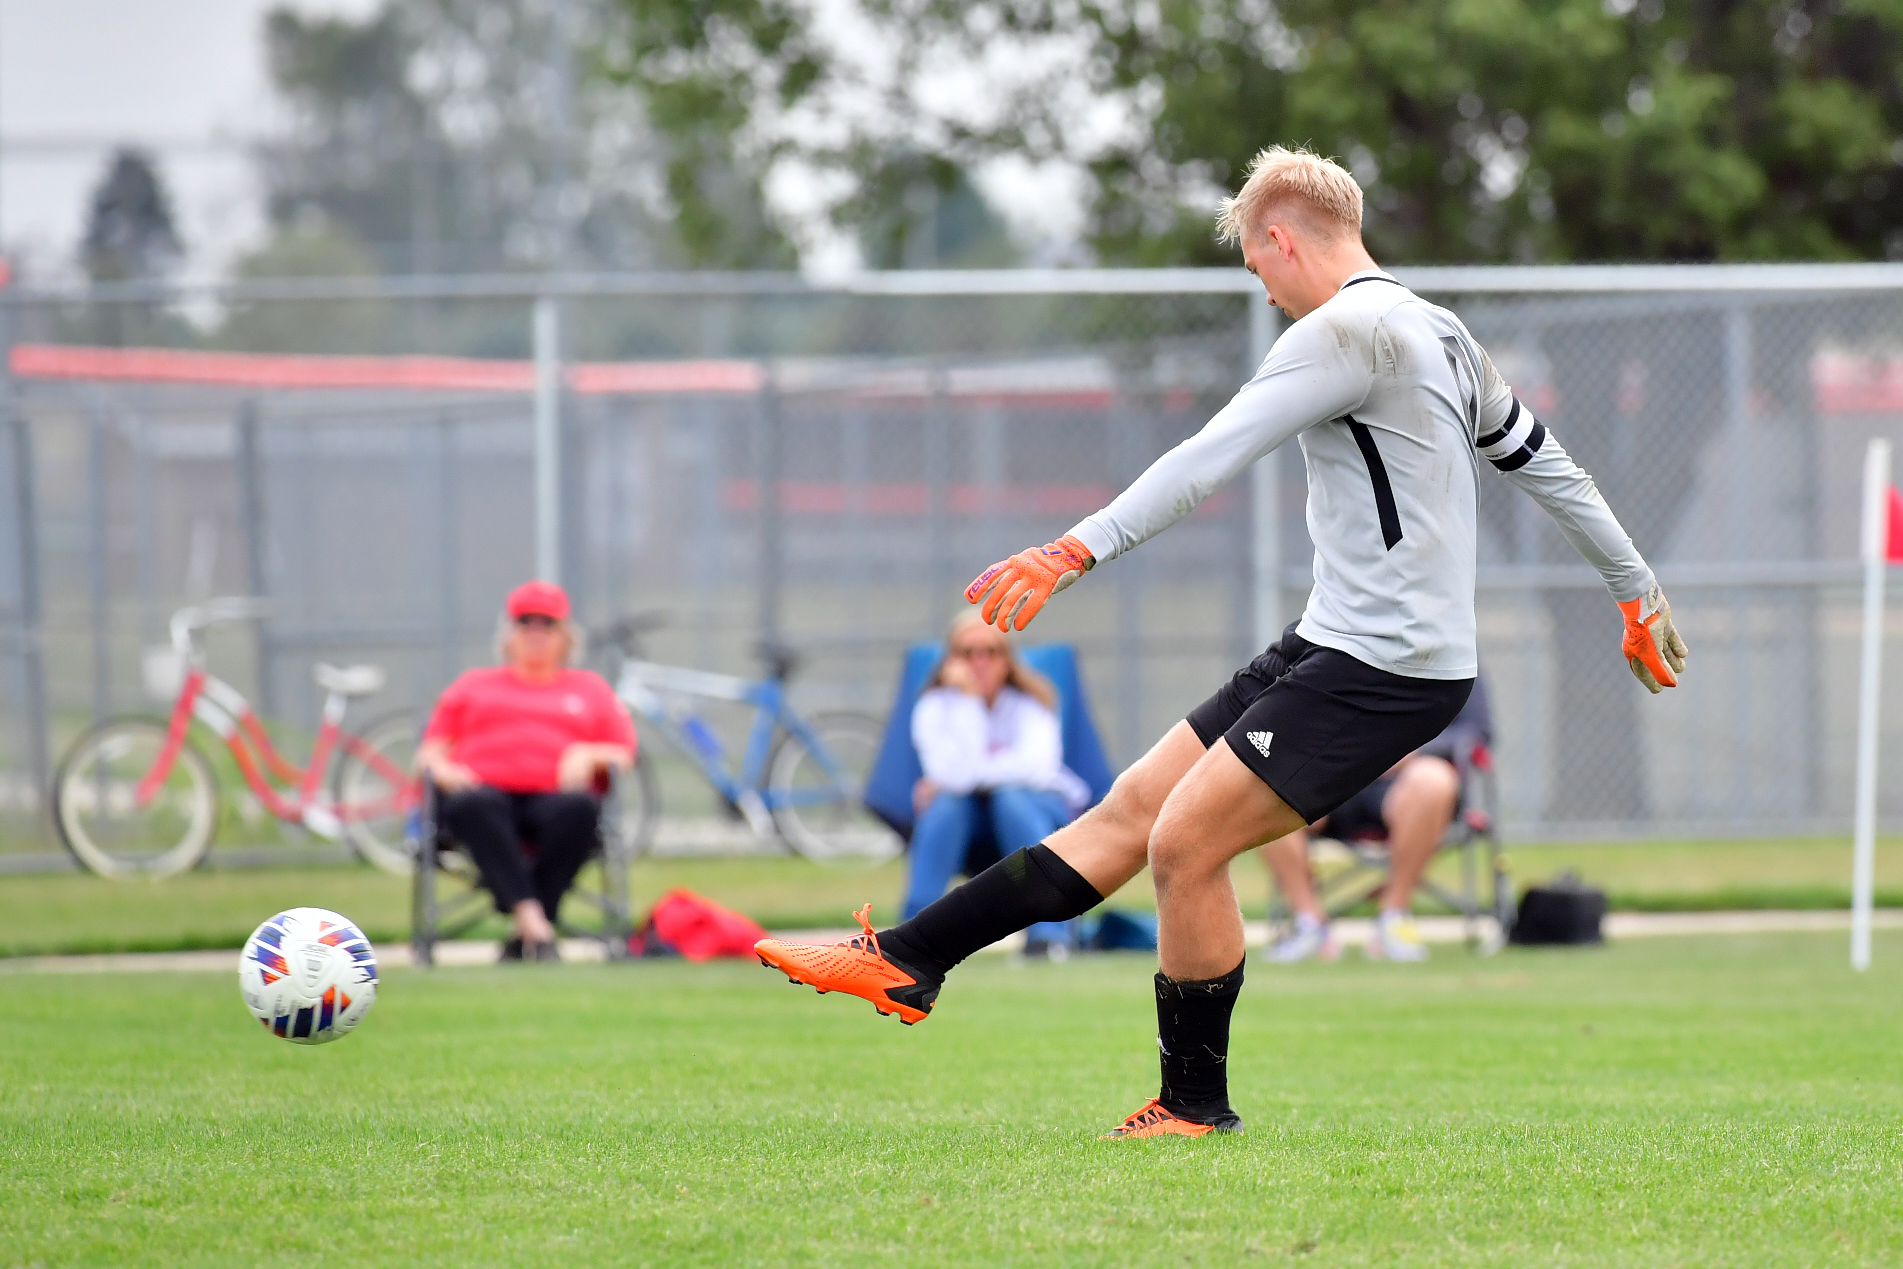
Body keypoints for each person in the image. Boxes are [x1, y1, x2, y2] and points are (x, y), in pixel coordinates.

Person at [755, 145, 1687, 1138]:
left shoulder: (1345, 332)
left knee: (1182, 847)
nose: (1268, 294)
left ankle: (1194, 1104)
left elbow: (1207, 459)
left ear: (1279, 240)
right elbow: (1552, 469)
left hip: (1384, 667)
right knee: (1127, 816)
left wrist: (1073, 549)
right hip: (1331, 645)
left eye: (1257, 269)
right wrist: (1636, 591)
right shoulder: (1439, 330)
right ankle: (908, 958)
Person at [417, 580, 636, 962]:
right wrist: (444, 770)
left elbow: (624, 754)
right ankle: (536, 924)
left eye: (547, 624)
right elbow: (429, 754)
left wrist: (588, 753)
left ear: (566, 636)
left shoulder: (590, 689)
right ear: (508, 635)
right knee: (472, 804)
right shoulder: (473, 684)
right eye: (525, 623)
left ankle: (527, 924)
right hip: (484, 798)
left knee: (580, 808)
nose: (535, 634)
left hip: (554, 800)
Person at [1261, 673, 1493, 963]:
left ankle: (1393, 918)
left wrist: (1413, 751)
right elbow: (1290, 715)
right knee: (1267, 786)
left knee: (1433, 781)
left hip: (1403, 785)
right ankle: (1309, 923)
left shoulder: (1450, 649)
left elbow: (1475, 731)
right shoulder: (1329, 639)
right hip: (1334, 776)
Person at [906, 613, 1092, 955]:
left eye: (990, 651)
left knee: (1011, 799)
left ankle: (1049, 935)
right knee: (945, 806)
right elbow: (955, 779)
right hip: (971, 826)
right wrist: (968, 701)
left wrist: (966, 775)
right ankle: (916, 935)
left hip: (1036, 816)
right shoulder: (935, 706)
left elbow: (1036, 768)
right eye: (967, 652)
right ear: (951, 659)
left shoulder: (1033, 701)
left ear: (1007, 659)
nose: (980, 662)